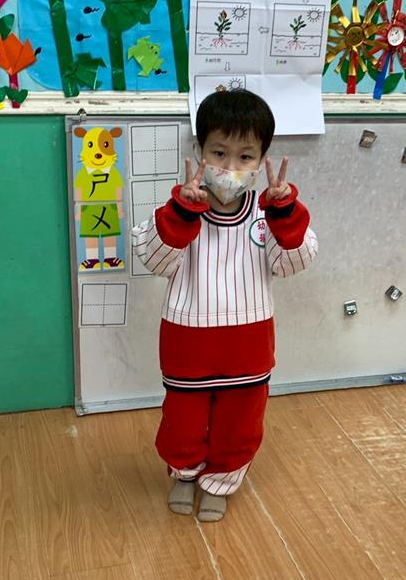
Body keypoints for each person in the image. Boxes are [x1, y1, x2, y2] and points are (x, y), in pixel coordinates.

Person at [131, 90, 317, 522]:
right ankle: (184, 472)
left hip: (248, 346)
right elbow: (154, 259)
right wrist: (182, 214)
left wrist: (285, 213)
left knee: (240, 422)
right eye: (219, 152)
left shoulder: (269, 214)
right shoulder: (178, 209)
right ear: (200, 150)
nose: (230, 167)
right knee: (182, 419)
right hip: (187, 343)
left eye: (245, 156)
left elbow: (294, 262)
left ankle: (221, 480)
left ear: (262, 159)